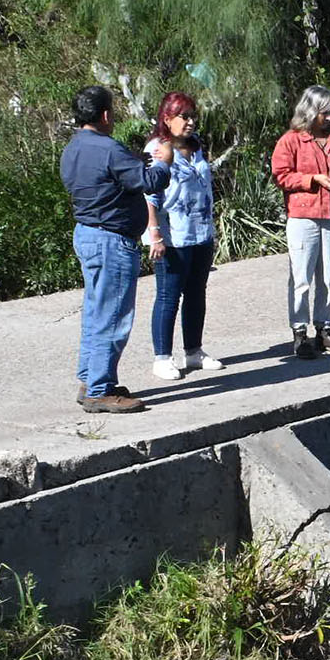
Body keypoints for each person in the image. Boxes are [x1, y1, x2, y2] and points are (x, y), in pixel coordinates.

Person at [59, 84, 172, 413]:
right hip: (112, 240)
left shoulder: (72, 149)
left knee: (95, 312)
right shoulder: (109, 149)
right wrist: (163, 162)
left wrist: (132, 164)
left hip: (86, 234)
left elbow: (100, 181)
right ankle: (99, 389)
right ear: (106, 114)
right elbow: (149, 182)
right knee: (112, 316)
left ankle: (89, 378)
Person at [270, 85, 330, 359]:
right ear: (310, 111)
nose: (329, 118)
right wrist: (312, 179)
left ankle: (324, 330)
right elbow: (280, 175)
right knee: (301, 279)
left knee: (328, 277)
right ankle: (299, 334)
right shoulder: (291, 140)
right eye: (323, 112)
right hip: (302, 217)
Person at [143, 92, 223, 380]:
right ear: (167, 119)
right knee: (168, 295)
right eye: (183, 116)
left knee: (196, 293)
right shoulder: (157, 149)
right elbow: (149, 192)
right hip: (172, 235)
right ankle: (162, 357)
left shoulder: (197, 146)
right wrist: (155, 234)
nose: (190, 122)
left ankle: (194, 351)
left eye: (192, 116)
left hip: (200, 232)